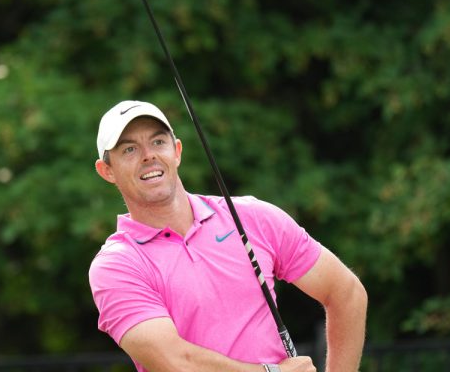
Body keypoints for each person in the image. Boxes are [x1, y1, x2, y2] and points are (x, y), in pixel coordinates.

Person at [88, 100, 367, 372]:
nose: (148, 155)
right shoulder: (116, 265)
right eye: (129, 149)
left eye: (158, 142)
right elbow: (175, 362)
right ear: (107, 171)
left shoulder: (252, 217)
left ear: (177, 151)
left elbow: (347, 292)